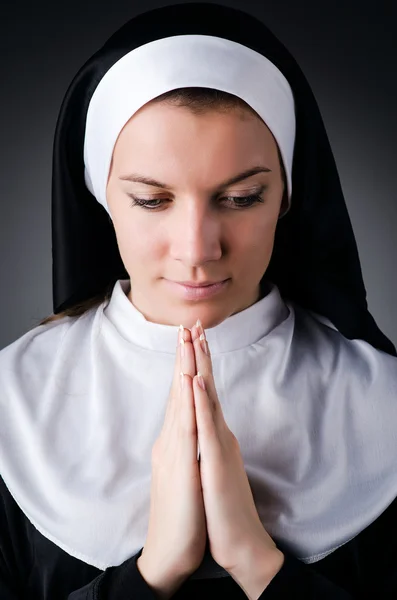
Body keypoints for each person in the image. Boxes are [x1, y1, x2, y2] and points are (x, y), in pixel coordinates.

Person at [0, 2, 396, 598]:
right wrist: (153, 572)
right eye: (152, 200)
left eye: (240, 197)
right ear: (99, 194)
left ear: (287, 193)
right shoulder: (12, 409)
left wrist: (257, 560)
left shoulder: (385, 407)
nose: (198, 249)